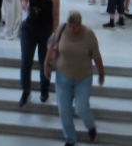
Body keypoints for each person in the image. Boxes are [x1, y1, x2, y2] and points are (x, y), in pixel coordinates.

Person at [44, 10, 104, 145]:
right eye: (70, 26)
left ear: (80, 24)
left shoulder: (89, 35)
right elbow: (52, 47)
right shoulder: (62, 29)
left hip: (83, 78)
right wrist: (46, 64)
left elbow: (97, 57)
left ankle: (91, 126)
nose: (72, 29)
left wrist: (101, 73)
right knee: (64, 111)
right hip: (63, 76)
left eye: (75, 27)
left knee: (81, 108)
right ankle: (70, 139)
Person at [19, 0, 60, 106]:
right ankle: (26, 91)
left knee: (45, 61)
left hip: (45, 31)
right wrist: (24, 4)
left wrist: (54, 35)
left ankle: (44, 89)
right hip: (28, 29)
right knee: (26, 60)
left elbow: (56, 15)